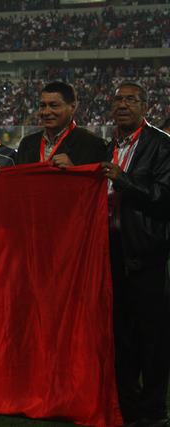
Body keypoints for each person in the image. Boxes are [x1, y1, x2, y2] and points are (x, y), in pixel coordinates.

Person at [101, 82, 170, 427]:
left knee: (152, 338)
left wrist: (123, 180)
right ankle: (127, 408)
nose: (123, 105)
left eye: (130, 99)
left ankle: (154, 411)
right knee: (120, 337)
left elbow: (164, 197)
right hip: (111, 253)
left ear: (145, 106)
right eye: (118, 99)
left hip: (145, 253)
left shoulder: (161, 145)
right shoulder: (107, 145)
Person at [16, 81, 106, 167]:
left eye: (54, 105)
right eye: (43, 106)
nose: (46, 112)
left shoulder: (92, 144)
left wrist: (74, 171)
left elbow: (97, 182)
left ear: (72, 107)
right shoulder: (27, 144)